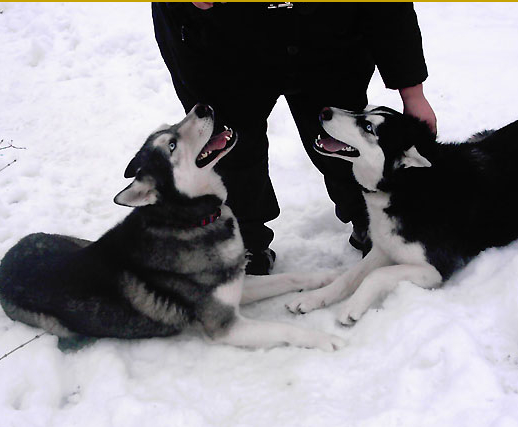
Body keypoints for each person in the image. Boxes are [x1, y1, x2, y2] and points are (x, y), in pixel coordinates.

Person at [152, 2, 436, 274]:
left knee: (341, 130)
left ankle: (371, 221)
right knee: (230, 139)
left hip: (327, 36)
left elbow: (387, 8)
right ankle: (242, 238)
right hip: (221, 39)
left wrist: (412, 93)